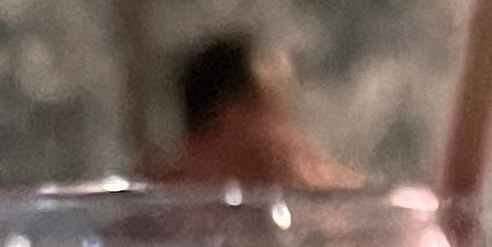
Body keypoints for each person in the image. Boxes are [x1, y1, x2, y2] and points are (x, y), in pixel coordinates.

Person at [152, 33, 357, 192]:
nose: (290, 135)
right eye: (274, 113)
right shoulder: (149, 217)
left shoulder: (315, 191)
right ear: (232, 113)